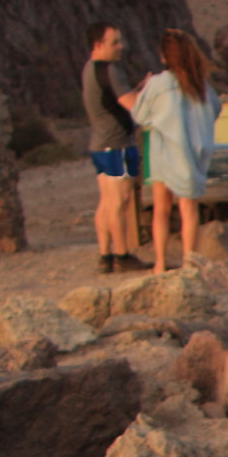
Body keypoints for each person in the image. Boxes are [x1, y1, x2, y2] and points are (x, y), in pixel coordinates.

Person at [133, 29, 220, 273]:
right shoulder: (199, 84)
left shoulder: (158, 84)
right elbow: (215, 109)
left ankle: (160, 262)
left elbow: (140, 116)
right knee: (189, 210)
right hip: (192, 153)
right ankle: (189, 262)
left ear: (164, 56)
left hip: (163, 153)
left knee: (161, 210)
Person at [81, 23, 145, 272]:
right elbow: (130, 103)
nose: (120, 47)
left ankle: (105, 255)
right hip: (116, 144)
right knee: (120, 200)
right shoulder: (109, 70)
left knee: (106, 201)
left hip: (100, 144)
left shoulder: (89, 70)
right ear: (98, 45)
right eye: (114, 42)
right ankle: (123, 254)